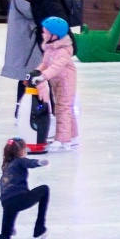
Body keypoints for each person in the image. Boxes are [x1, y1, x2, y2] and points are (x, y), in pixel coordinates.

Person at [0, 138, 49, 239]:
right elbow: (28, 162)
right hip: (19, 198)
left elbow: (6, 190)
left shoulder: (6, 167)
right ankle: (39, 229)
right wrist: (39, 162)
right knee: (45, 189)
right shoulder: (19, 161)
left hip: (6, 204)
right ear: (20, 151)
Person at [37, 16, 78, 151]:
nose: (43, 34)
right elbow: (45, 64)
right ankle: (73, 136)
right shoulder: (50, 49)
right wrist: (36, 72)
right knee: (64, 108)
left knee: (63, 108)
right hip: (57, 82)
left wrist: (43, 76)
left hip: (66, 82)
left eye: (46, 32)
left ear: (55, 35)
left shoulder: (63, 52)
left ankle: (63, 140)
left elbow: (56, 67)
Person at [2, 0, 43, 95]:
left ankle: (27, 107)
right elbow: (29, 12)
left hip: (26, 38)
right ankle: (24, 108)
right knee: (26, 74)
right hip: (25, 38)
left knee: (28, 74)